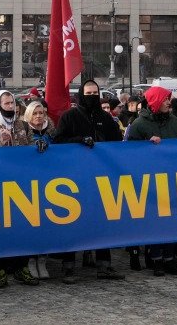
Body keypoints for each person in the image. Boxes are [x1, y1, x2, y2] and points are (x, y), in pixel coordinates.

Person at [52, 79, 124, 283]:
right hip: (75, 179)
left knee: (103, 221)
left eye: (95, 93)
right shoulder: (70, 116)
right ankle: (68, 266)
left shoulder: (106, 118)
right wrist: (79, 141)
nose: (92, 96)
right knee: (72, 223)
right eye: (88, 92)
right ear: (81, 94)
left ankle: (104, 265)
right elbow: (58, 141)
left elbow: (118, 145)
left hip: (101, 179)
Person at [0, 90, 39, 289]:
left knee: (23, 226)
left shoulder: (22, 124)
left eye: (12, 102)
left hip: (21, 182)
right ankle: (1, 269)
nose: (10, 106)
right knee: (1, 227)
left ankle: (22, 267)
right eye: (6, 103)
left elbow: (31, 146)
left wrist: (39, 145)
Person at [127, 86, 177, 276]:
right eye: (165, 99)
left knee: (171, 221)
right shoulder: (138, 125)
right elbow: (128, 153)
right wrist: (146, 146)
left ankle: (170, 258)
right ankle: (156, 259)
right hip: (150, 180)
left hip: (172, 178)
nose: (169, 102)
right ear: (154, 102)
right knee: (155, 221)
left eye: (169, 99)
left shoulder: (175, 122)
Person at [23, 100, 54, 279]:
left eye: (41, 112)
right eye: (35, 113)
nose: (38, 116)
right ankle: (30, 260)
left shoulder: (52, 131)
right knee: (32, 223)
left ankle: (42, 260)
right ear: (29, 115)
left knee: (46, 223)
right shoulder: (25, 132)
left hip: (48, 182)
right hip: (29, 183)